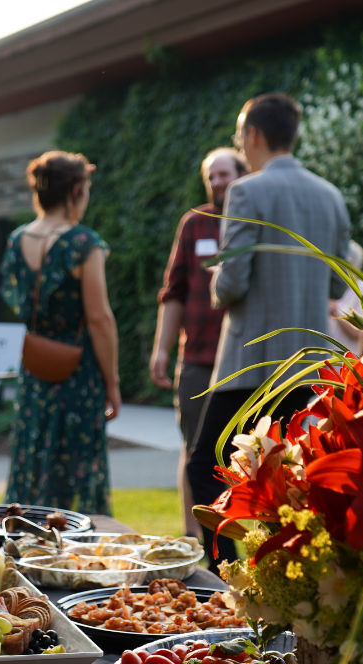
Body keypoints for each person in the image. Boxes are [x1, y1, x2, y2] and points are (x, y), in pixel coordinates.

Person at [187, 93, 351, 569]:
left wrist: (216, 281)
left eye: (241, 135)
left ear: (253, 135)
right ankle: (284, 580)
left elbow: (233, 282)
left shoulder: (246, 191)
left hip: (250, 363)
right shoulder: (330, 195)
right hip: (308, 365)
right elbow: (339, 281)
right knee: (291, 479)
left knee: (205, 467)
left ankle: (226, 577)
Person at [0, 151, 121, 515]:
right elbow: (99, 318)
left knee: (33, 460)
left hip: (35, 368)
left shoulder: (17, 239)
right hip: (78, 373)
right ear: (74, 192)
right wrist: (113, 382)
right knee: (74, 469)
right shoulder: (84, 243)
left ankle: (23, 540)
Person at [150, 147, 247, 539]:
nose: (218, 182)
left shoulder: (253, 221)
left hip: (243, 360)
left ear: (242, 174)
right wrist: (161, 348)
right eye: (212, 176)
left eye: (225, 174)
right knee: (193, 450)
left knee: (239, 454)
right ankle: (194, 539)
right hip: (199, 359)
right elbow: (173, 291)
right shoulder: (194, 223)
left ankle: (231, 535)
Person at [327, 240, 363, 356]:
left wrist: (335, 312)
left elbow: (362, 332)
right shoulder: (328, 287)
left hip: (347, 357)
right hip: (325, 355)